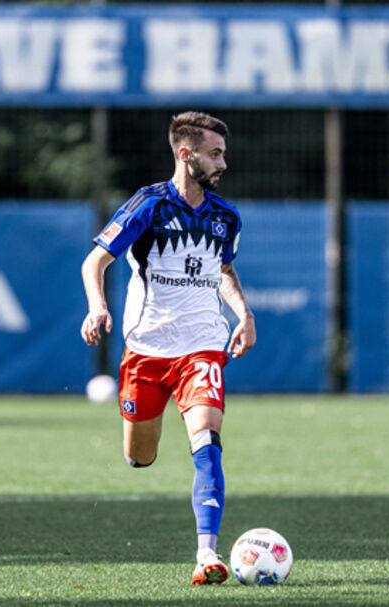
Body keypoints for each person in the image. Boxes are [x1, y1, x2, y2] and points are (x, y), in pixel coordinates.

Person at [80, 111, 255, 585]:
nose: (223, 162)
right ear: (186, 152)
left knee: (208, 445)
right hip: (146, 353)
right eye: (214, 153)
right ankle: (140, 446)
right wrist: (97, 308)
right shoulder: (148, 206)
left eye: (223, 153)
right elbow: (95, 261)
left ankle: (206, 555)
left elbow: (223, 270)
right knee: (141, 456)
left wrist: (245, 314)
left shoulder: (226, 217)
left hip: (201, 348)